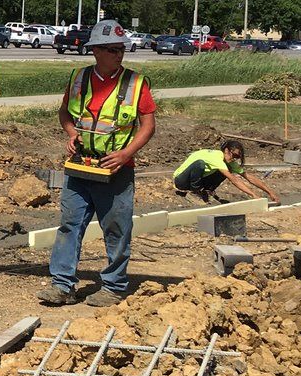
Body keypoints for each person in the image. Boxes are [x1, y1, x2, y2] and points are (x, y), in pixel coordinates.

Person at [38, 19, 157, 309]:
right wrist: (71, 134)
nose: (119, 54)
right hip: (81, 167)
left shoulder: (135, 83)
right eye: (113, 49)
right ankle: (62, 285)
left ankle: (114, 286)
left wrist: (126, 154)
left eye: (121, 49)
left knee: (116, 228)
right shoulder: (79, 78)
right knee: (70, 225)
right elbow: (65, 113)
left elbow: (148, 126)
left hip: (115, 169)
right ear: (96, 52)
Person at [173, 141, 279, 205]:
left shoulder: (228, 161)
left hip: (193, 180)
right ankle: (195, 193)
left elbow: (249, 177)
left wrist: (270, 192)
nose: (235, 159)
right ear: (227, 150)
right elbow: (234, 180)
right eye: (235, 156)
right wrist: (254, 195)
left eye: (238, 157)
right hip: (181, 180)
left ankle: (206, 191)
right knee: (200, 164)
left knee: (227, 169)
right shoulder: (216, 156)